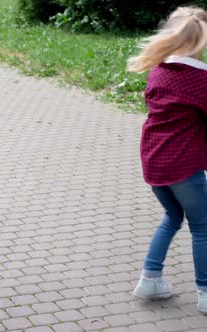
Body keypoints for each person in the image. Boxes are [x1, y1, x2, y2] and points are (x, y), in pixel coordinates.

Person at [127, 6, 207, 312]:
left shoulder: (157, 71)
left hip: (155, 163)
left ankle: (150, 278)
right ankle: (206, 293)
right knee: (202, 226)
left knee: (173, 217)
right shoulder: (201, 81)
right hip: (184, 166)